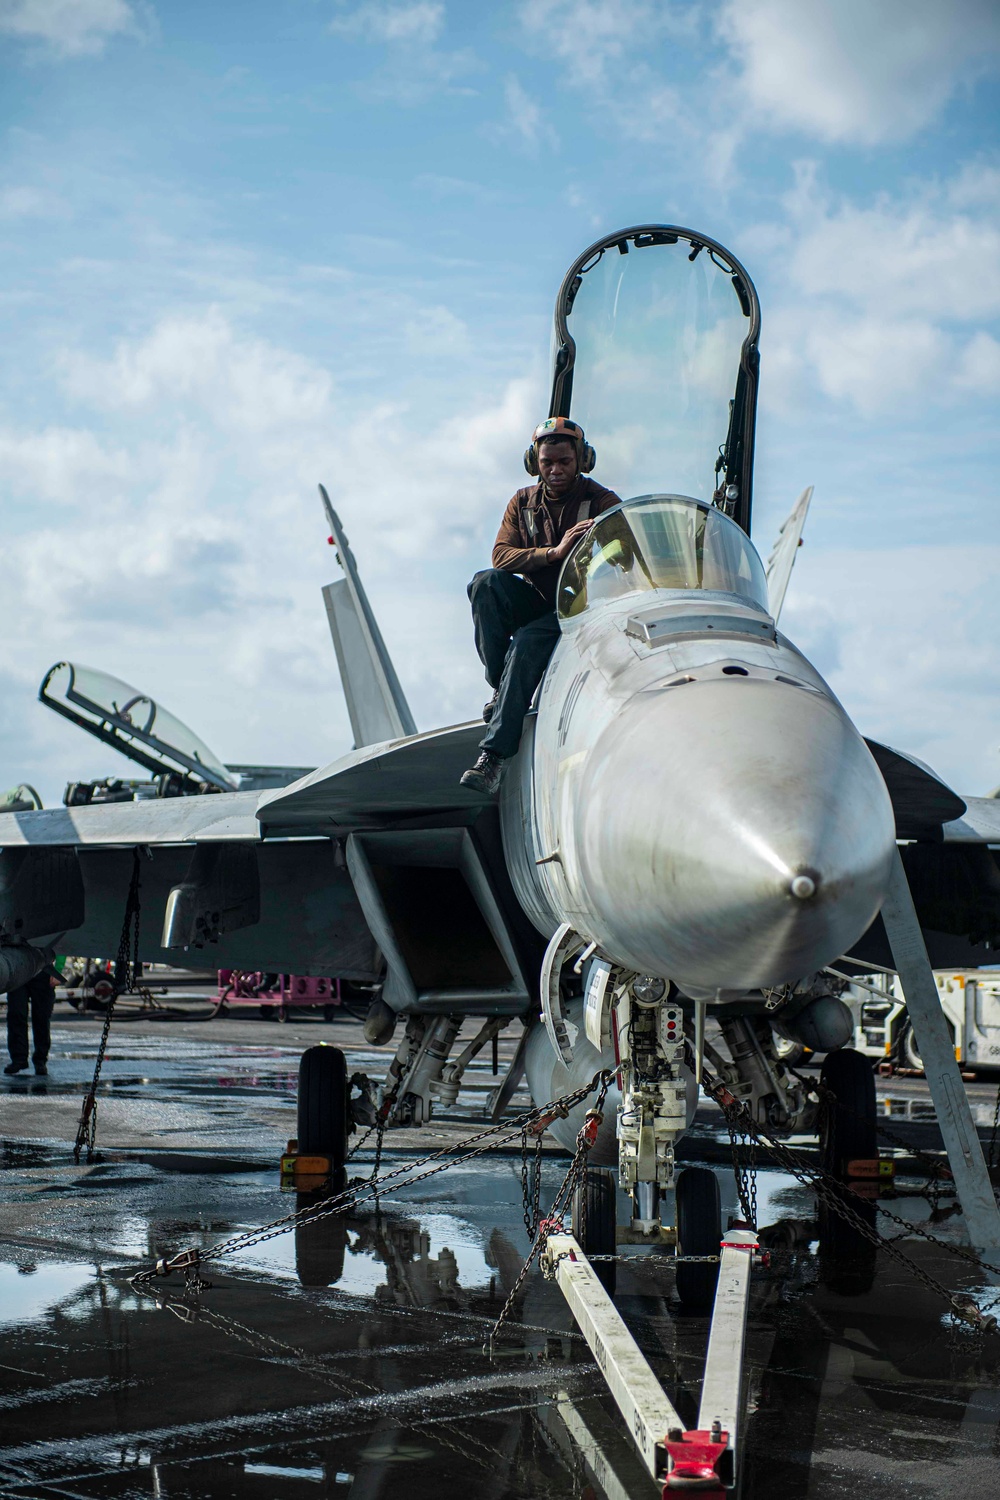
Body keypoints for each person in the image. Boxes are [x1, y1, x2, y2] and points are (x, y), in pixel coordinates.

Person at [460, 417, 620, 796]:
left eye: (564, 461)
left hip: (579, 610)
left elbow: (625, 553)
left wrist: (594, 551)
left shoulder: (602, 502)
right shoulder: (523, 502)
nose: (555, 469)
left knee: (530, 639)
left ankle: (493, 759)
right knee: (486, 585)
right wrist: (554, 553)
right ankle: (502, 689)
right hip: (536, 600)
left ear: (581, 460)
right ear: (535, 462)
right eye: (547, 462)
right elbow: (502, 555)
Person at [4, 966, 58, 1076]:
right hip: (18, 971)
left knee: (41, 1017)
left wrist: (58, 971)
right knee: (16, 1014)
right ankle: (19, 1059)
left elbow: (61, 948)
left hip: (44, 969)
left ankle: (40, 1060)